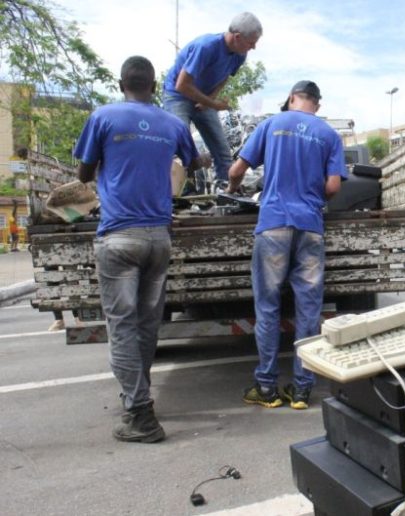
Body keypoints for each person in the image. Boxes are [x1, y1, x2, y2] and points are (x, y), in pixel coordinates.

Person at [74, 56, 210, 443]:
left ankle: (139, 414)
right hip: (158, 239)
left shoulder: (103, 117)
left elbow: (83, 173)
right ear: (153, 87)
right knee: (148, 325)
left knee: (122, 328)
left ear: (121, 84)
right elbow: (193, 164)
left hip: (118, 237)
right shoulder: (170, 122)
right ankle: (139, 397)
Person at [227, 80, 346, 410]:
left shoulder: (271, 124)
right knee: (308, 309)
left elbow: (237, 169)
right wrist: (310, 197)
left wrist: (234, 186)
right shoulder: (328, 135)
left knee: (268, 307)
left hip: (274, 223)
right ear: (316, 105)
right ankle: (302, 389)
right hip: (310, 226)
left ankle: (266, 387)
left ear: (291, 99)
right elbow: (333, 187)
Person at [162, 12, 262, 183]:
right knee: (179, 140)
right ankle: (178, 185)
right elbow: (182, 85)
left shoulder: (240, 55)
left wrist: (209, 98)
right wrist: (213, 104)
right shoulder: (206, 47)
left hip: (202, 98)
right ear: (237, 37)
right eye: (251, 42)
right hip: (177, 95)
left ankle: (227, 192)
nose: (253, 47)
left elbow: (224, 77)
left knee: (223, 153)